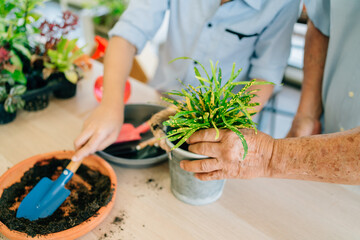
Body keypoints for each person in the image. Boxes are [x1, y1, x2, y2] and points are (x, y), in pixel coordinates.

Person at [72, 0, 300, 161]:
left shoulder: (282, 3)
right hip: (161, 101)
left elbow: (265, 76)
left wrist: (227, 127)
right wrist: (111, 105)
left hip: (220, 125)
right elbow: (129, 31)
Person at [179, 0, 360, 185]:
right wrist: (306, 117)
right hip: (326, 129)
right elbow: (322, 21)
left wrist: (270, 156)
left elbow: (265, 74)